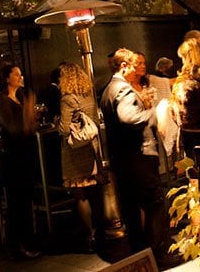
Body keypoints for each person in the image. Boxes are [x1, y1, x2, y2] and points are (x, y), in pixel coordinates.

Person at [100, 48, 177, 268]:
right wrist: (155, 113)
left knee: (132, 209)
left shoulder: (108, 89)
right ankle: (158, 252)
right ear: (124, 66)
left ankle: (140, 254)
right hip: (137, 157)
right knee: (154, 203)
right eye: (134, 66)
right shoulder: (122, 88)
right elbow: (129, 117)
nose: (138, 70)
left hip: (122, 159)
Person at [0, 65, 42, 261]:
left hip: (25, 155)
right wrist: (29, 111)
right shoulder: (2, 101)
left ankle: (27, 241)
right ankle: (18, 245)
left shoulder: (19, 98)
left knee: (25, 199)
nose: (21, 77)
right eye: (16, 74)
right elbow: (14, 128)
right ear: (7, 78)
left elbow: (28, 126)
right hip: (14, 158)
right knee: (17, 202)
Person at [56, 62, 102, 254]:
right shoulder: (88, 95)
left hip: (76, 151)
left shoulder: (67, 99)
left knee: (80, 194)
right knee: (94, 192)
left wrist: (57, 124)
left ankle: (90, 235)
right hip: (92, 148)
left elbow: (65, 129)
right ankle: (101, 231)